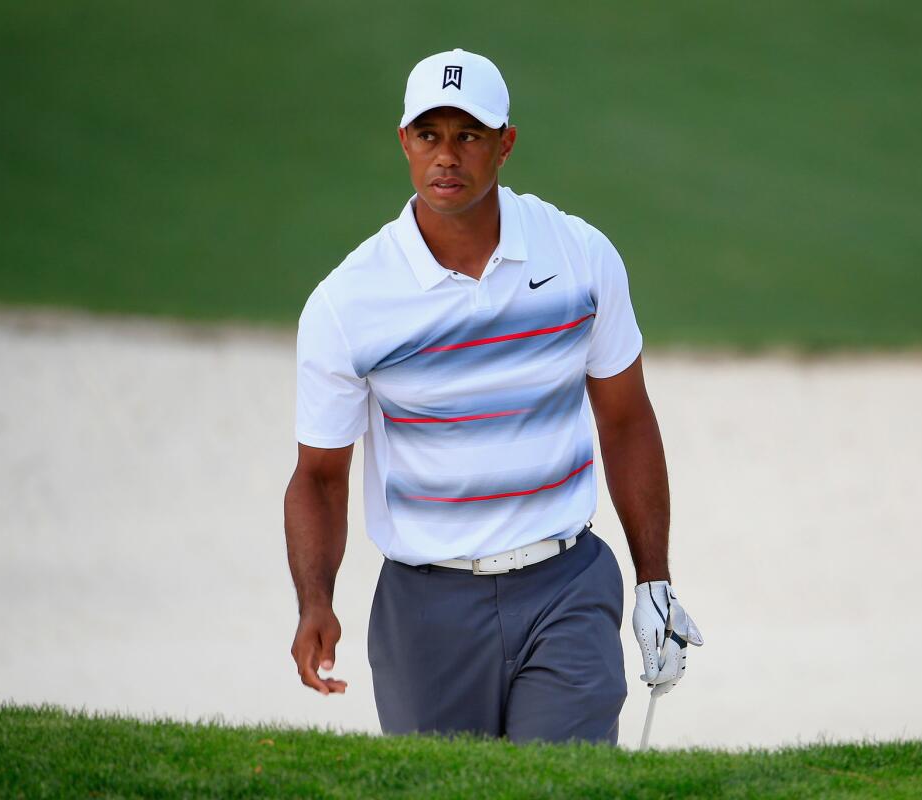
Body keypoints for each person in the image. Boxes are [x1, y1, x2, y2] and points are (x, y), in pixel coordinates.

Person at [285, 48, 703, 745]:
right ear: (403, 143)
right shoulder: (348, 302)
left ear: (505, 144)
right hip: (426, 607)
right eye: (428, 135)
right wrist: (315, 601)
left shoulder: (578, 256)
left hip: (566, 583)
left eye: (468, 136)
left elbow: (626, 421)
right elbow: (320, 477)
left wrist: (653, 580)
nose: (446, 156)